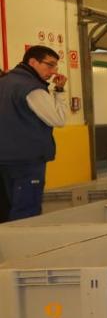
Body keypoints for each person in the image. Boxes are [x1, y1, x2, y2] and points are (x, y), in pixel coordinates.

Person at [0, 46, 68, 222]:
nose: (53, 72)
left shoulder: (5, 82)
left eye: (56, 67)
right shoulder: (32, 88)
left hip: (4, 159)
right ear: (32, 62)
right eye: (50, 65)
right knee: (26, 212)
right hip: (26, 161)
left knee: (6, 209)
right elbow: (58, 120)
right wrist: (59, 92)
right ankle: (24, 249)